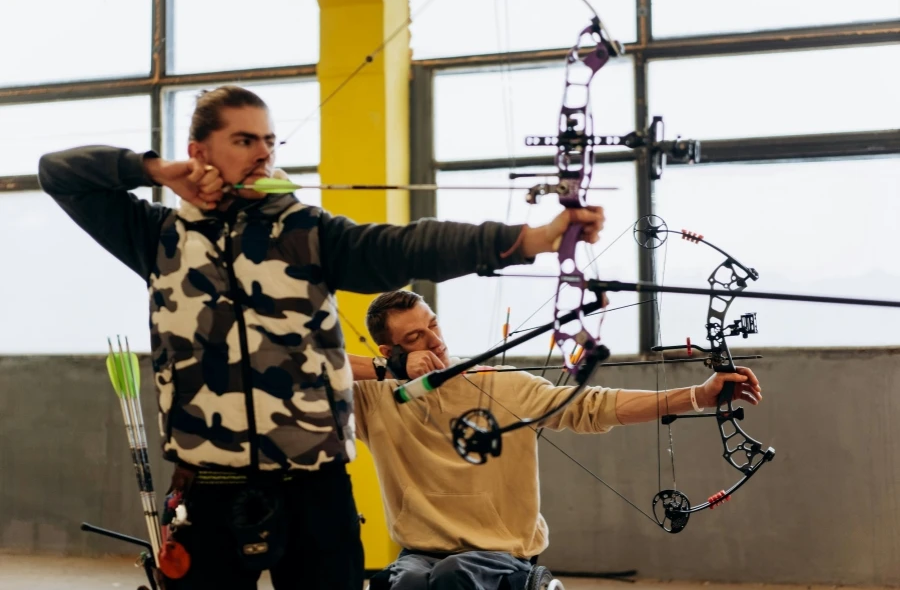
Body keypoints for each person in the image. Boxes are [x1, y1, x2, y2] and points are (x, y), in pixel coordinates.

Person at [36, 85, 606, 590]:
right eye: (243, 139)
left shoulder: (306, 232)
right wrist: (152, 170)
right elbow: (57, 172)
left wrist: (530, 239)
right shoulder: (156, 237)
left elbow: (406, 246)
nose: (263, 152)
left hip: (313, 487)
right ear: (199, 153)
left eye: (270, 140)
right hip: (208, 484)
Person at [349, 290, 764, 590]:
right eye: (413, 338)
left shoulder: (498, 385)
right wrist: (389, 371)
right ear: (389, 350)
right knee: (403, 584)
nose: (434, 340)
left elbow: (592, 406)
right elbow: (302, 365)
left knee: (451, 579)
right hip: (420, 554)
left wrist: (698, 396)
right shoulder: (373, 396)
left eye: (432, 324)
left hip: (498, 558)